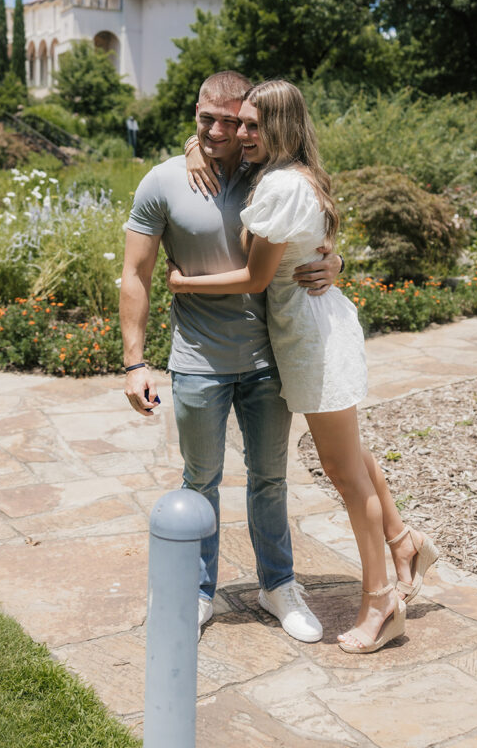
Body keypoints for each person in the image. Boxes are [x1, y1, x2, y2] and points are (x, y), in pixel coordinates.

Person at [168, 79, 439, 653]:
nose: (241, 134)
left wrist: (183, 282)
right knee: (349, 454)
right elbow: (303, 243)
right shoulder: (292, 176)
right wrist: (194, 147)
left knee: (344, 475)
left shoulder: (281, 185)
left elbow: (256, 278)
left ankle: (381, 601)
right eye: (237, 123)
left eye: (252, 125)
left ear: (283, 128)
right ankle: (403, 539)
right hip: (311, 329)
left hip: (311, 340)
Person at [120, 70, 342, 643]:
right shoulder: (162, 181)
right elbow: (136, 274)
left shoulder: (268, 174)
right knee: (201, 481)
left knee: (270, 479)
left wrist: (334, 261)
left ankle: (278, 584)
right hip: (196, 362)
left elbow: (311, 229)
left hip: (268, 358)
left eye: (232, 121)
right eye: (206, 121)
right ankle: (198, 593)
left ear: (252, 121)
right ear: (194, 113)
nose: (218, 131)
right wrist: (134, 362)